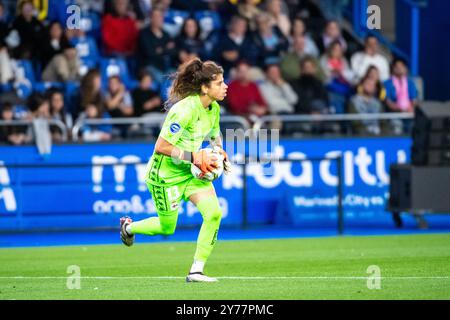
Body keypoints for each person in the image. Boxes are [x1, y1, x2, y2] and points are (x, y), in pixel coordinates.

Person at [120, 58, 231, 283]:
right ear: (204, 87)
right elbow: (161, 147)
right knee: (167, 227)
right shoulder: (184, 110)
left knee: (214, 214)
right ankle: (129, 228)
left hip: (190, 173)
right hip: (165, 176)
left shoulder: (214, 108)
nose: (225, 86)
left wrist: (219, 151)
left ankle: (196, 271)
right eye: (219, 83)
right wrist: (195, 157)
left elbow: (214, 135)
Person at [384, 58, 419, 134]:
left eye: (402, 66)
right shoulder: (387, 84)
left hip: (409, 113)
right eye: (396, 67)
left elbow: (414, 100)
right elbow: (388, 102)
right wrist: (401, 110)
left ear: (405, 69)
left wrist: (410, 108)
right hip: (394, 114)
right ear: (392, 69)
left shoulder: (410, 83)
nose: (399, 69)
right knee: (396, 126)